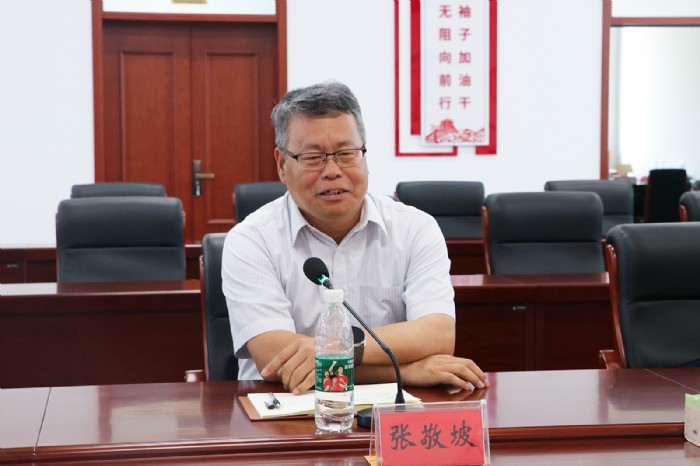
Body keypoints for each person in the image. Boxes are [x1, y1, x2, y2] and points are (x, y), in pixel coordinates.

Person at [222, 81, 488, 395]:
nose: (333, 171)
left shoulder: (415, 229)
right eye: (313, 157)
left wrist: (335, 350)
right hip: (287, 410)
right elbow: (277, 360)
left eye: (346, 154)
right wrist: (405, 371)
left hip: (391, 412)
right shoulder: (251, 240)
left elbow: (438, 334)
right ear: (282, 165)